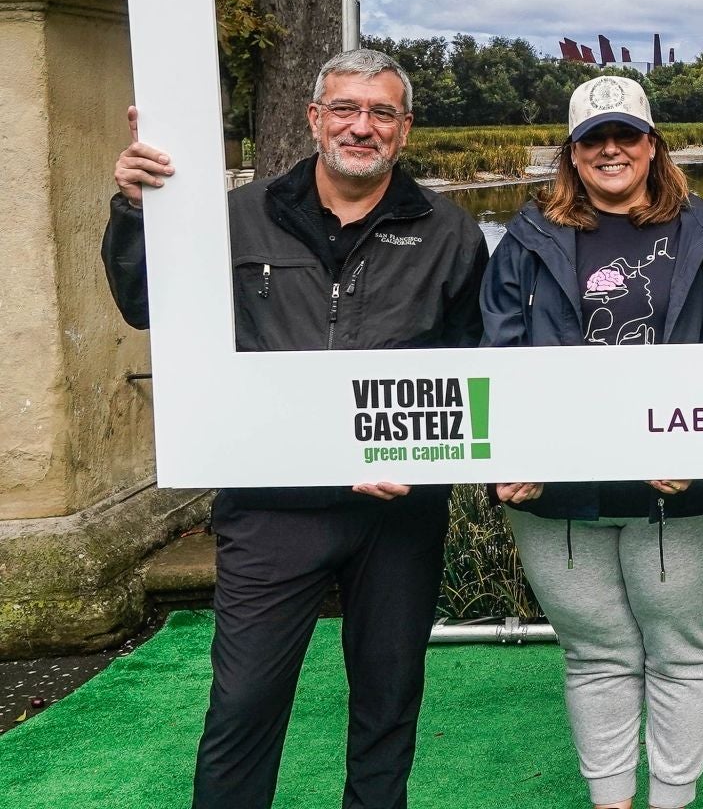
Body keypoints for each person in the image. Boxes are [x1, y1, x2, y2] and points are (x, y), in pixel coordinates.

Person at [101, 48, 488, 809]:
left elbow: (475, 371)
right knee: (243, 703)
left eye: (381, 112)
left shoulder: (450, 233)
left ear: (404, 129)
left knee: (387, 703)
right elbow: (147, 306)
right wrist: (137, 210)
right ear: (315, 119)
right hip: (272, 506)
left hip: (396, 510)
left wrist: (423, 456)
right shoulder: (236, 216)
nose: (362, 126)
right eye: (345, 108)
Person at [482, 74, 703, 809]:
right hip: (560, 488)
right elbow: (497, 354)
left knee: (680, 651)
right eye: (591, 139)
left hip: (685, 486)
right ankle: (612, 803)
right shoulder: (525, 240)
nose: (609, 150)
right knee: (596, 654)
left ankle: (671, 800)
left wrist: (698, 442)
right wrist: (514, 450)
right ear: (571, 153)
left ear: (651, 143)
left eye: (624, 135)